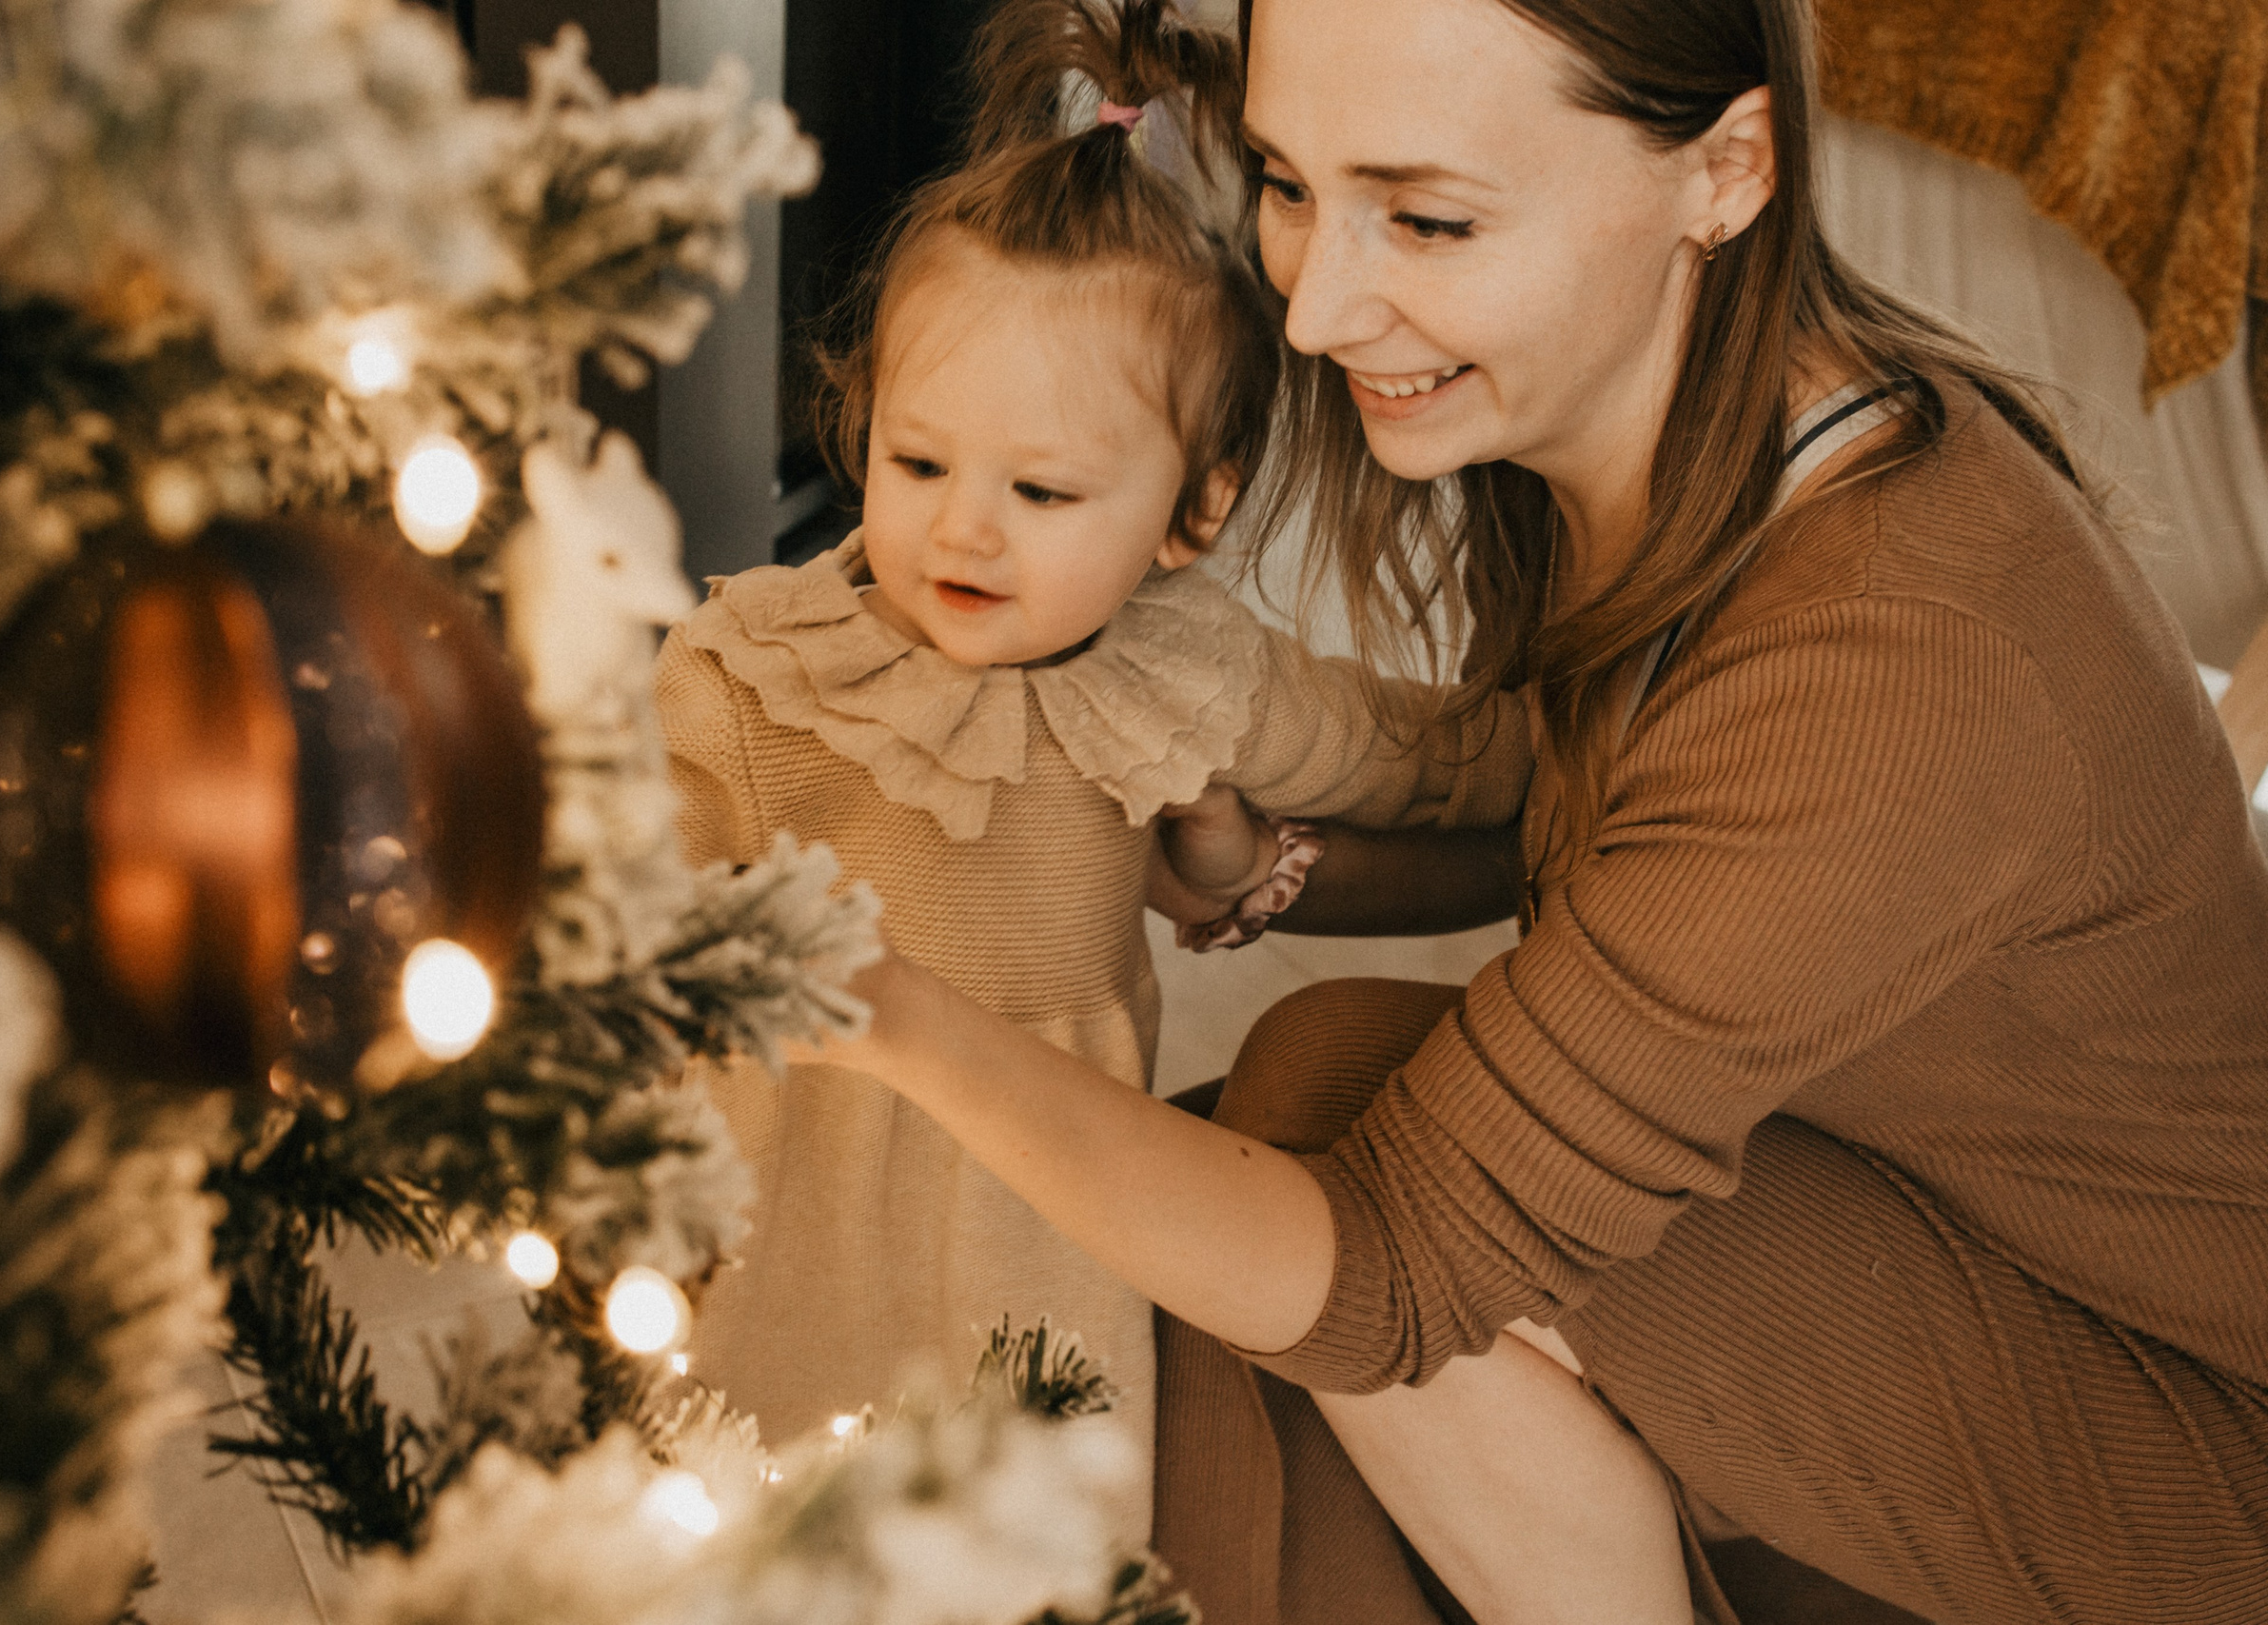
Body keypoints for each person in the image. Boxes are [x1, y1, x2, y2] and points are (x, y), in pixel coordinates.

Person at [785, 0, 2268, 1621]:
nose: (1319, 310)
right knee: (1280, 1120)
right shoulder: (1686, 418)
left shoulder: (1896, 652)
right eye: (1290, 185)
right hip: (1901, 1220)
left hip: (2185, 1456)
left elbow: (1394, 1277)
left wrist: (889, 1015)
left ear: (1725, 168)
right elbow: (1626, 844)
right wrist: (1284, 864)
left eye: (1428, 218)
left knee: (1268, 1221)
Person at [655, 0, 1520, 1538]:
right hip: (787, 1219)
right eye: (919, 463)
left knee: (1022, 1535)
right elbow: (616, 919)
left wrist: (1585, 736)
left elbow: (1418, 760)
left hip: (1040, 1226)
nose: (966, 527)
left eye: (1043, 489)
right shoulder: (756, 679)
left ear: (1191, 514)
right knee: (741, 1520)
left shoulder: (1192, 675)